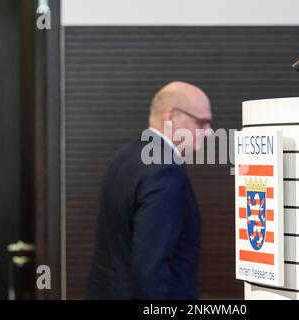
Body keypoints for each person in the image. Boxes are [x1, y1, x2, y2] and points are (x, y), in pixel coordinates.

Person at [85, 81, 212, 299]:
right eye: (201, 123)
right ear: (170, 116)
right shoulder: (165, 172)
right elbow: (151, 265)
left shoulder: (124, 156)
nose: (208, 133)